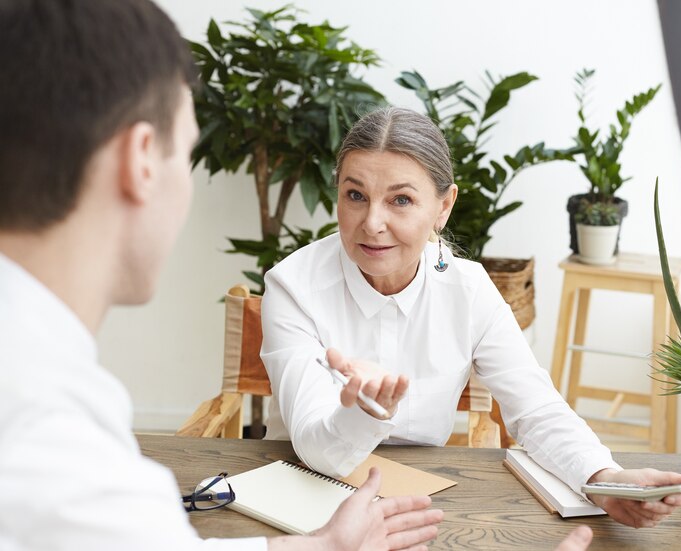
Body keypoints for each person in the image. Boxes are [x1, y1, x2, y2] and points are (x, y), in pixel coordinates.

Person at [0, 1, 444, 550]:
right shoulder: (51, 424)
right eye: (185, 153)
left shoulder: (36, 380)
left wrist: (327, 545)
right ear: (140, 160)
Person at [261, 106, 681, 530]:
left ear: (443, 207)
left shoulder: (469, 291)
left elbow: (536, 409)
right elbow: (315, 449)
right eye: (356, 195)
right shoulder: (294, 286)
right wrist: (366, 411)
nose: (373, 222)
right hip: (305, 504)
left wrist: (604, 479)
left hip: (424, 506)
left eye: (401, 200)